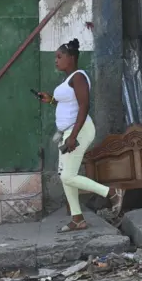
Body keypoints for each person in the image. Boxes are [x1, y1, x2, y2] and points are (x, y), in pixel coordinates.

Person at [38, 39, 124, 232]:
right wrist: (51, 100)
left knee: (68, 175)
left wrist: (73, 136)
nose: (56, 61)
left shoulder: (79, 77)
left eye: (59, 57)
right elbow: (69, 104)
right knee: (65, 175)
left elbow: (84, 106)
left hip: (79, 130)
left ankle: (112, 193)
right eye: (55, 58)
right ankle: (77, 218)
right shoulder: (68, 79)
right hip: (69, 131)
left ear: (71, 58)